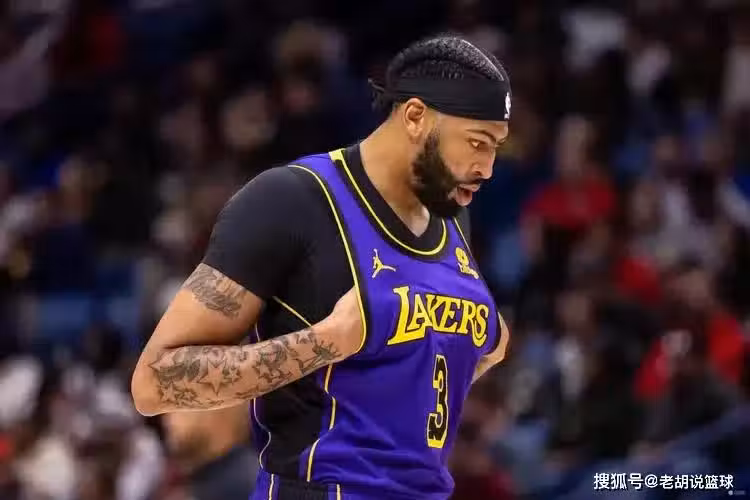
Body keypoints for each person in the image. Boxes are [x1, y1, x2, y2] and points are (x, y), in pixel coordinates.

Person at [131, 35, 511, 500]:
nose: (487, 167)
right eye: (477, 143)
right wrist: (325, 343)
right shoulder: (292, 201)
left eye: (496, 147)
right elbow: (155, 382)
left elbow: (404, 362)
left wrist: (470, 345)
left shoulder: (451, 217)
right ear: (415, 117)